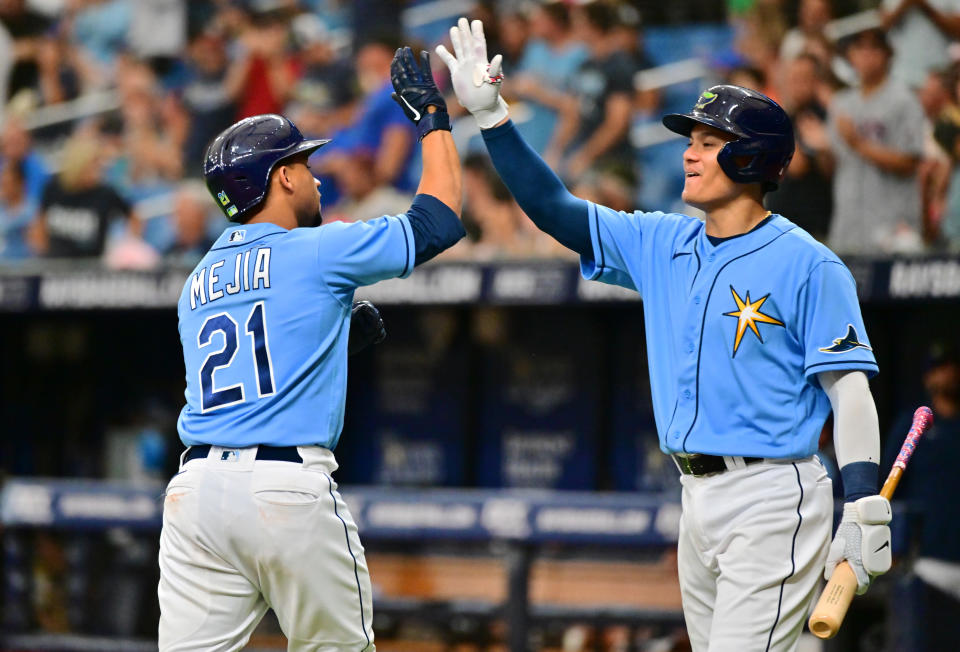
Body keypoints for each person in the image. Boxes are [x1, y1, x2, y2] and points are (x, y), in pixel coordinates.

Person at [436, 18, 892, 650]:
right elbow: (556, 210)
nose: (689, 151)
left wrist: (864, 499)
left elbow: (849, 390)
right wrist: (492, 117)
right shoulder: (663, 240)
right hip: (696, 497)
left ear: (751, 157)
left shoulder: (808, 263)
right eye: (692, 139)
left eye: (709, 141)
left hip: (772, 493)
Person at [157, 45, 464, 651]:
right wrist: (432, 116)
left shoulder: (196, 281)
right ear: (282, 176)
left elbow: (252, 368)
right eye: (303, 161)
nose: (314, 173)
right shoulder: (317, 249)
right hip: (285, 488)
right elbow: (441, 218)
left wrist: (329, 343)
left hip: (194, 494)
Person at [884, 345, 960, 651]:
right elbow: (889, 488)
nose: (945, 374)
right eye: (937, 368)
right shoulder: (914, 423)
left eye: (950, 366)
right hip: (926, 562)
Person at [825, 26, 925, 255]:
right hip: (848, 226)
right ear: (849, 55)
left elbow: (910, 162)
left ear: (888, 54)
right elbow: (832, 168)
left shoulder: (904, 100)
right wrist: (821, 150)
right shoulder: (841, 103)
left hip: (893, 228)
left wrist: (858, 144)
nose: (866, 54)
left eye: (873, 48)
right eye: (859, 48)